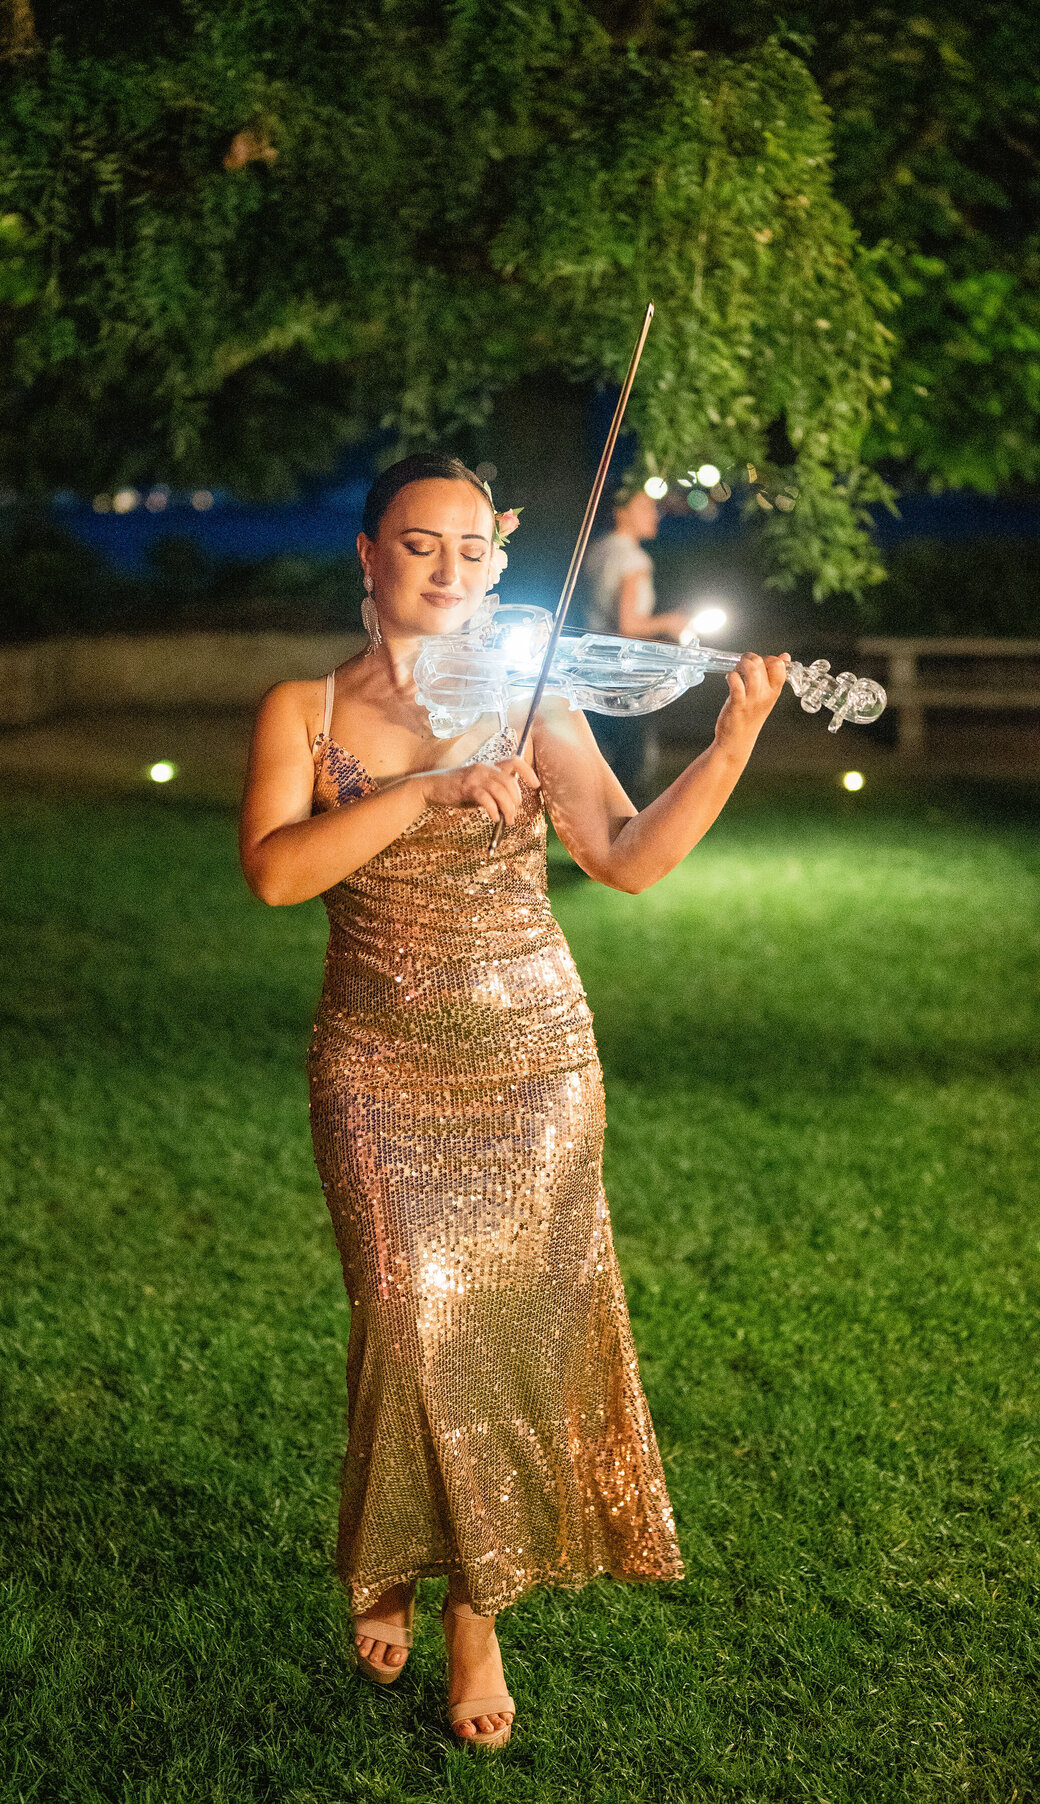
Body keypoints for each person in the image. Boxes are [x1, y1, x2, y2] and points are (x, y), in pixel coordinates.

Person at [239, 453, 789, 1754]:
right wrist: (427, 790)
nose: (451, 567)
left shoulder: (537, 701)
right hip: (378, 1063)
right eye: (420, 544)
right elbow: (274, 875)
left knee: (497, 1336)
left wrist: (731, 746)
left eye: (475, 548)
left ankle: (471, 1613)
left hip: (536, 1063)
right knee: (411, 1319)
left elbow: (626, 858)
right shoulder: (304, 708)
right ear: (367, 557)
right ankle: (395, 1557)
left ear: (499, 561)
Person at [580, 486, 690, 802]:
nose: (654, 514)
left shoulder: (598, 550)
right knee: (634, 762)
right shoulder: (632, 557)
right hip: (623, 671)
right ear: (620, 513)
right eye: (645, 507)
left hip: (592, 667)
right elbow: (629, 625)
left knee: (602, 756)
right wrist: (670, 622)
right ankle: (631, 838)